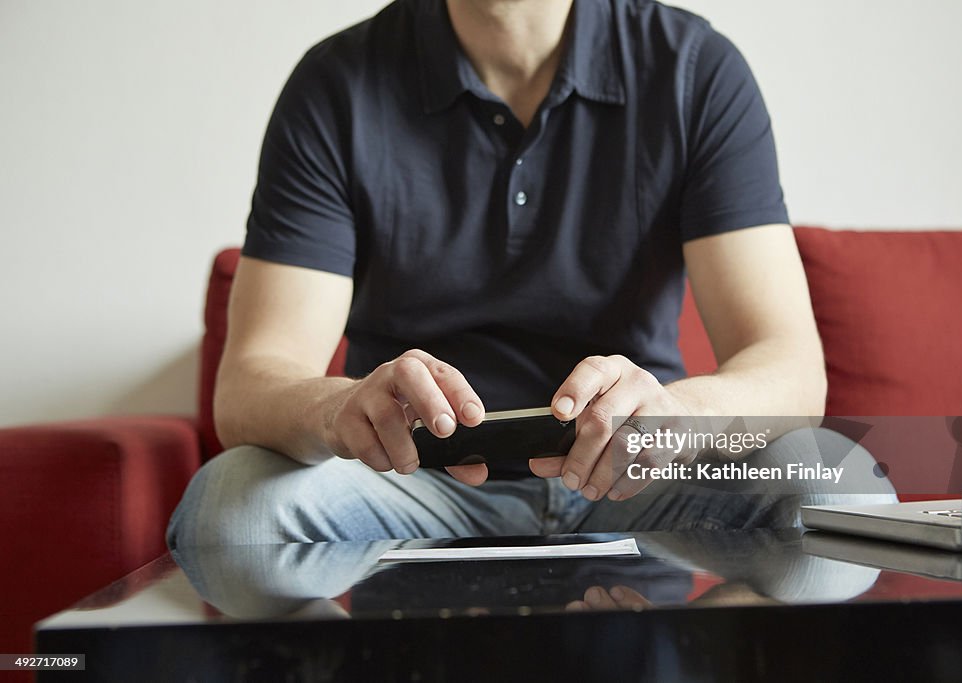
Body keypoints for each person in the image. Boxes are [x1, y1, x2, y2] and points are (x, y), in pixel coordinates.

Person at [167, 0, 895, 548]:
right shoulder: (336, 85)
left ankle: (690, 648)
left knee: (843, 492)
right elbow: (251, 382)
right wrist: (342, 408)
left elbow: (792, 370)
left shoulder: (695, 69)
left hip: (640, 480)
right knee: (231, 510)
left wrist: (680, 416)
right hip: (409, 486)